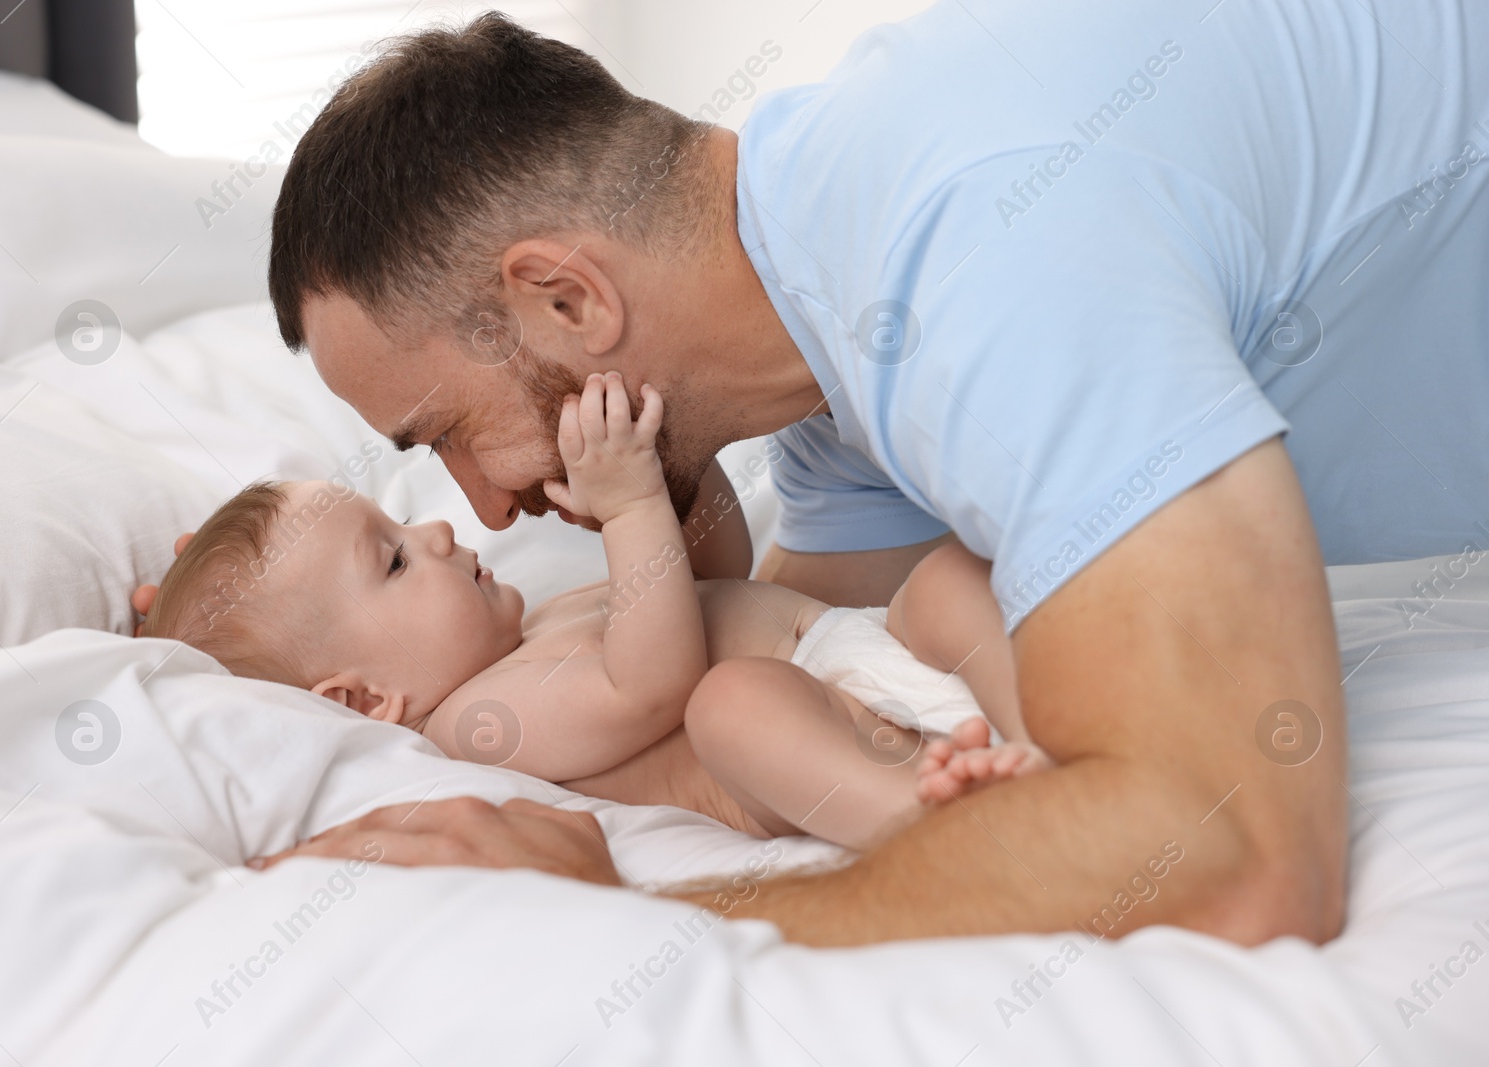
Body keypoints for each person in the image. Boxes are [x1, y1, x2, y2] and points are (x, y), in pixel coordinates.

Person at [242, 2, 1489, 946]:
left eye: (449, 428)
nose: (484, 504)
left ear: (567, 297)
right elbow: (812, 650)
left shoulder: (980, 246)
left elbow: (1237, 860)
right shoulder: (836, 327)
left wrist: (622, 906)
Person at [138, 373, 1050, 851]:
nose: (440, 534)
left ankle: (1039, 741)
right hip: (817, 746)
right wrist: (630, 511)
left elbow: (713, 575)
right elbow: (654, 683)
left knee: (948, 577)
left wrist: (669, 484)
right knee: (732, 703)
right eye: (396, 558)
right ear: (363, 701)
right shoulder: (475, 723)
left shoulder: (539, 623)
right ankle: (948, 825)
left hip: (873, 655)